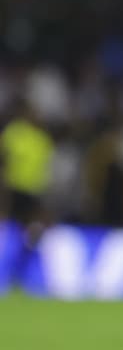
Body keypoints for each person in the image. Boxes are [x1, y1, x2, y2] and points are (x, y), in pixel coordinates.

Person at [1, 101, 56, 290]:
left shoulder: (42, 139)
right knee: (9, 230)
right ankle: (10, 270)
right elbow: (4, 162)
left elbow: (46, 170)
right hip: (14, 189)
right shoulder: (13, 133)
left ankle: (20, 268)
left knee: (35, 231)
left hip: (35, 192)